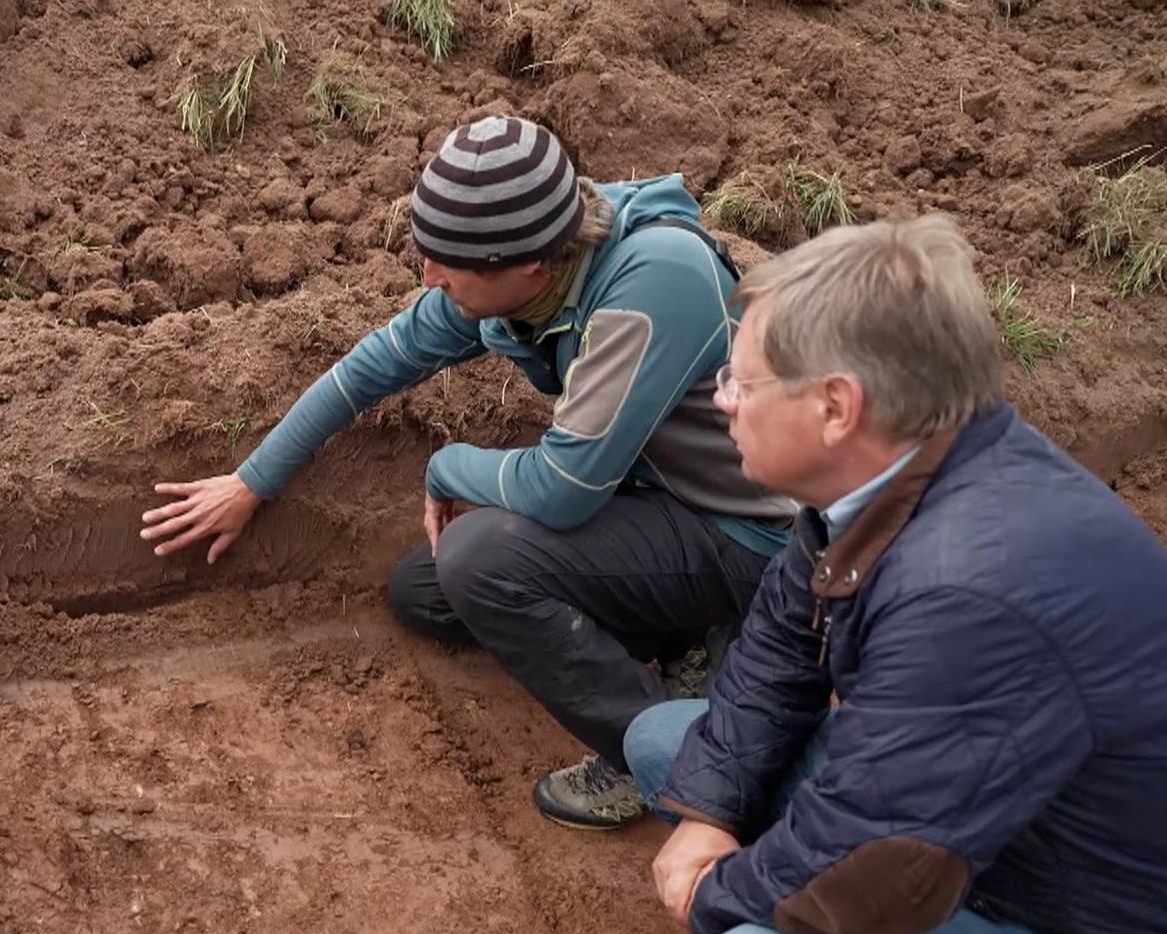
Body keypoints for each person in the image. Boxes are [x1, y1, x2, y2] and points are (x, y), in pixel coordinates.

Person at [624, 214, 1167, 934]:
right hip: (1000, 827)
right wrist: (707, 817)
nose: (722, 398)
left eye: (742, 381)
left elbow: (874, 862)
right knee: (669, 748)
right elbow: (777, 649)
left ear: (836, 406)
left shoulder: (966, 589)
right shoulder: (910, 469)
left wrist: (712, 897)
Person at [140, 116, 794, 829]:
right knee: (426, 591)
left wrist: (448, 465)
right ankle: (690, 643)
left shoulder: (657, 278)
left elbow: (564, 490)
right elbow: (369, 368)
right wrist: (250, 483)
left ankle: (675, 759)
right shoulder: (528, 269)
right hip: (653, 499)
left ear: (529, 266)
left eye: (448, 264)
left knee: (481, 561)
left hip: (747, 537)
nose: (429, 276)